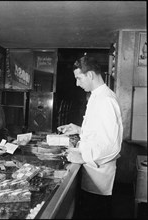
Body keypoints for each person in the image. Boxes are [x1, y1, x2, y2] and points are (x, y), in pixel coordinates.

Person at [57, 55, 123, 218]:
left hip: (98, 178)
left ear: (90, 75)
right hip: (91, 172)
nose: (77, 83)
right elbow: (99, 132)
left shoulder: (106, 99)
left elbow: (112, 146)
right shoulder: (96, 96)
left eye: (79, 78)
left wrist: (82, 156)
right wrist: (79, 129)